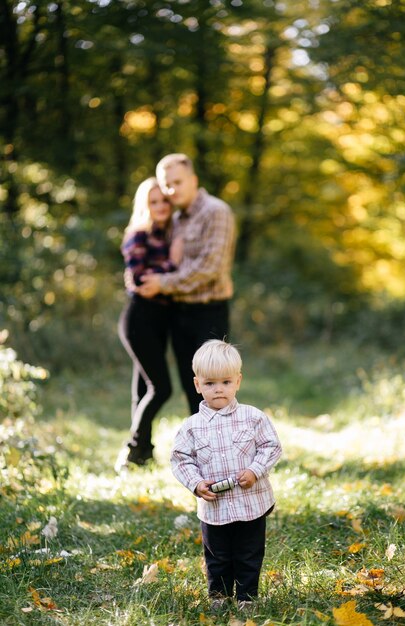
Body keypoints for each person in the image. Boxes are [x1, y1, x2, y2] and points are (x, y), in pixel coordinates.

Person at [170, 340, 282, 611]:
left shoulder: (253, 418)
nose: (218, 389)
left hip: (251, 503)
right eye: (210, 384)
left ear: (238, 382)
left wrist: (255, 471)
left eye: (226, 382)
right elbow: (180, 459)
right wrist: (196, 484)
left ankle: (247, 598)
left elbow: (271, 446)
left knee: (248, 553)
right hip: (214, 508)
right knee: (217, 556)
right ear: (197, 385)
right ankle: (219, 597)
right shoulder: (192, 427)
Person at [138, 154, 236, 414]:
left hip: (208, 313)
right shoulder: (176, 220)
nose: (172, 190)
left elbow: (210, 268)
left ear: (193, 180)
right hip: (179, 314)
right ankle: (202, 451)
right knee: (193, 387)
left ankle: (223, 451)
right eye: (167, 184)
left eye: (178, 182)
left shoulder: (216, 212)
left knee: (217, 389)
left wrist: (163, 283)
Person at [115, 177, 181, 472]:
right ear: (145, 206)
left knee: (143, 390)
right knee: (162, 388)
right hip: (139, 318)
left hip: (160, 321)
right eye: (153, 202)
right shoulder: (137, 235)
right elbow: (141, 280)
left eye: (164, 200)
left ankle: (144, 453)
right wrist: (174, 264)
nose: (160, 206)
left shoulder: (169, 235)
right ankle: (131, 450)